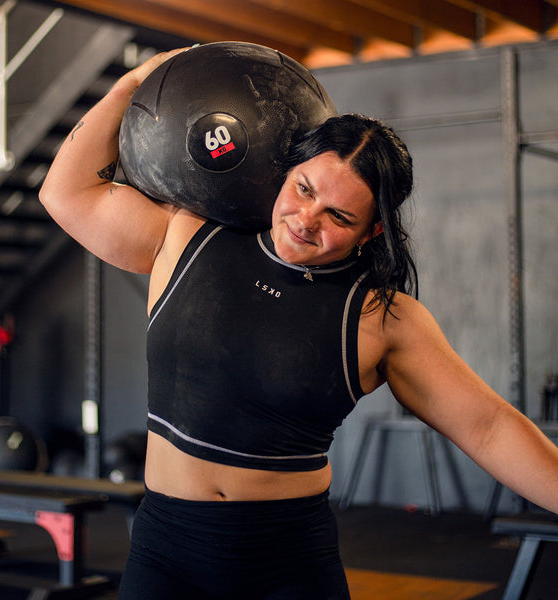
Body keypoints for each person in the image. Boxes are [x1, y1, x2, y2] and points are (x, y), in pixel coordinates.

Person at [40, 47, 558, 600]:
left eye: (339, 216)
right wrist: (136, 83)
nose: (305, 221)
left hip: (286, 564)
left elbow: (489, 427)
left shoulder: (382, 317)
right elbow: (65, 192)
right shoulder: (188, 237)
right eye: (304, 189)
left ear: (373, 233)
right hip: (167, 549)